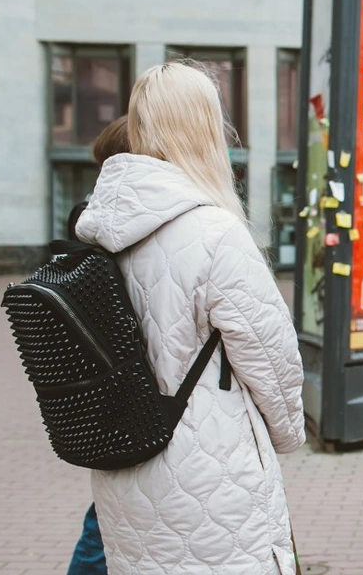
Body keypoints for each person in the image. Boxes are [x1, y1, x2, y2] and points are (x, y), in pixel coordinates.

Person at [74, 62, 305, 574]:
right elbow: (272, 358)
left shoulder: (97, 227)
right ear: (203, 126)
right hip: (211, 468)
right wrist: (288, 435)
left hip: (126, 461)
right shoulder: (214, 230)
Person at [65, 115, 130, 575]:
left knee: (105, 514)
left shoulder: (88, 221)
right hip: (130, 397)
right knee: (106, 521)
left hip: (102, 394)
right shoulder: (116, 226)